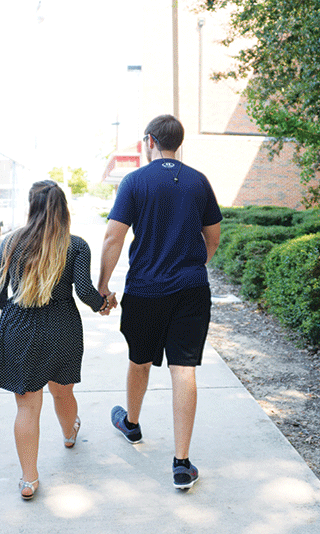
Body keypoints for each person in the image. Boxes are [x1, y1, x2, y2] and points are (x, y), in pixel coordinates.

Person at [98, 114, 222, 490]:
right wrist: (194, 265)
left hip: (145, 290)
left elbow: (113, 239)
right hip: (190, 289)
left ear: (149, 141)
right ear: (178, 143)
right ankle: (182, 463)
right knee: (184, 370)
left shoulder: (135, 181)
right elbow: (213, 236)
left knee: (140, 361)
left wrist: (102, 286)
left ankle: (132, 425)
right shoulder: (199, 181)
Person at [0, 180, 115, 500]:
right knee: (62, 392)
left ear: (31, 206)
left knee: (27, 405)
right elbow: (83, 292)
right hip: (61, 327)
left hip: (20, 325)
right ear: (63, 208)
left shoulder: (10, 242)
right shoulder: (75, 245)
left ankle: (29, 480)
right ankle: (70, 433)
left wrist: (11, 309)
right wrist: (103, 304)